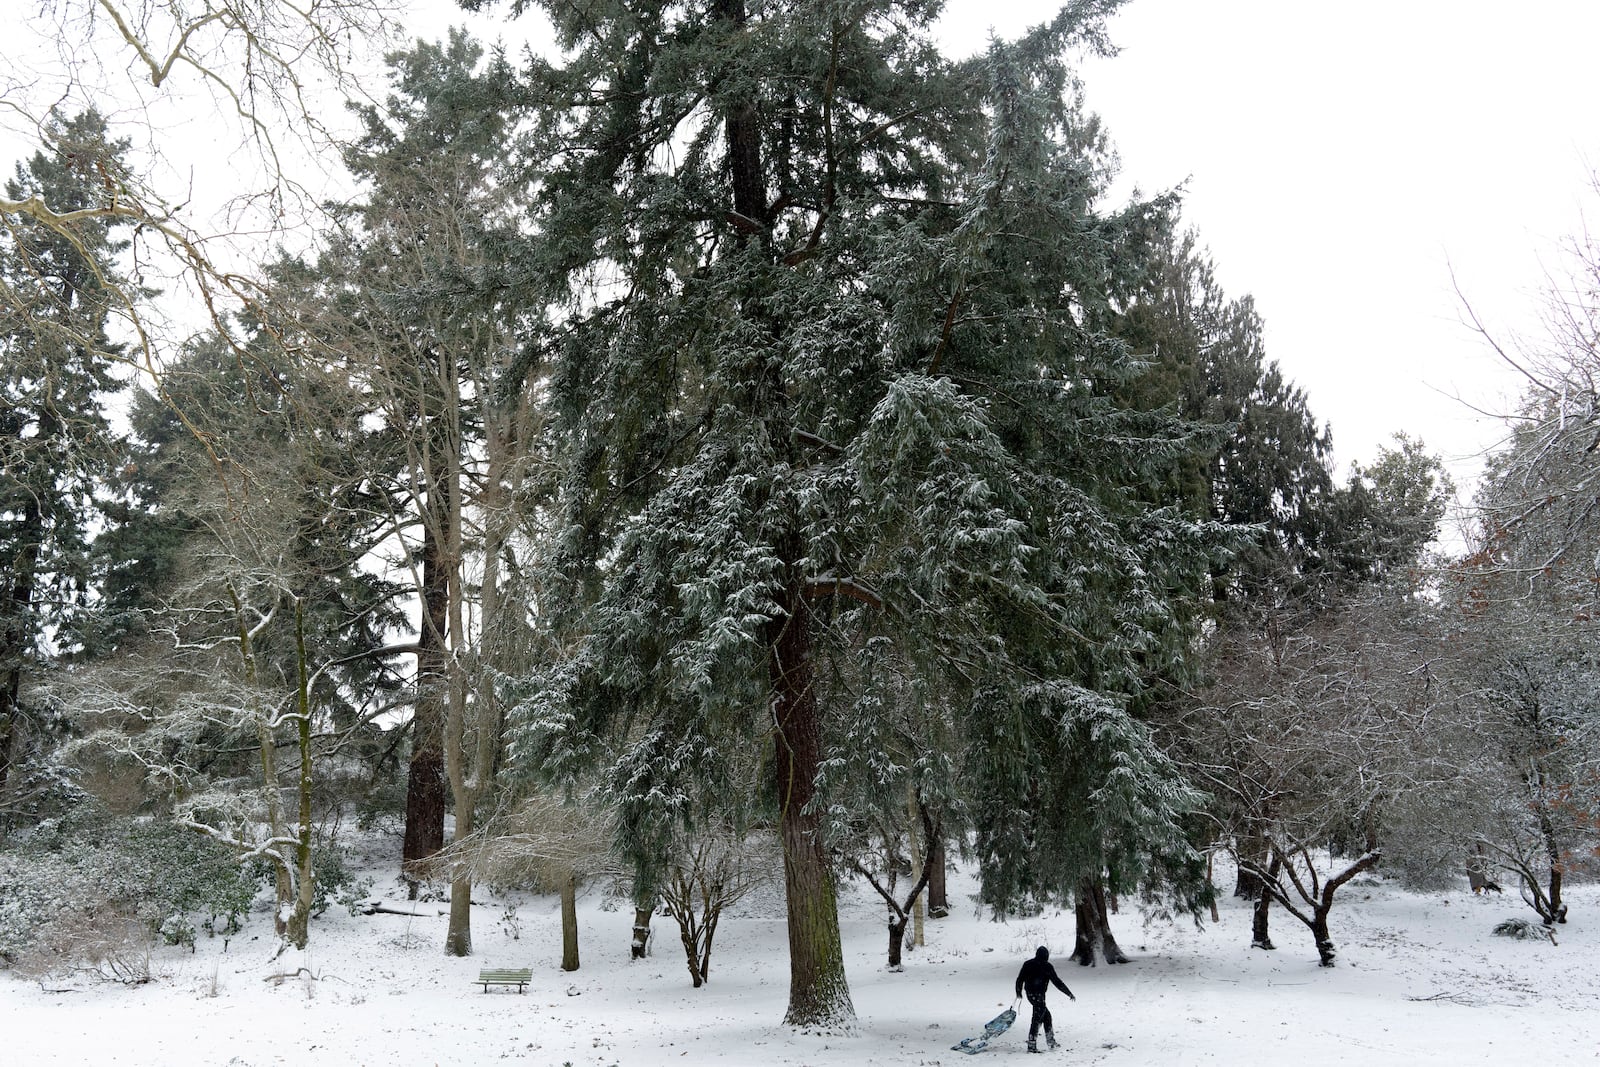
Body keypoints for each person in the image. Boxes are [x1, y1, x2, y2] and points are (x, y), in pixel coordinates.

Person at [1014, 945, 1074, 1053]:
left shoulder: (1028, 964)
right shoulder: (1047, 966)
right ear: (1046, 956)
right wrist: (1068, 993)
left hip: (1030, 995)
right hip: (1039, 996)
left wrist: (1019, 992)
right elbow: (1057, 982)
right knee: (1036, 1019)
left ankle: (1051, 1041)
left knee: (1046, 1017)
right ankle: (1032, 1046)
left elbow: (1019, 979)